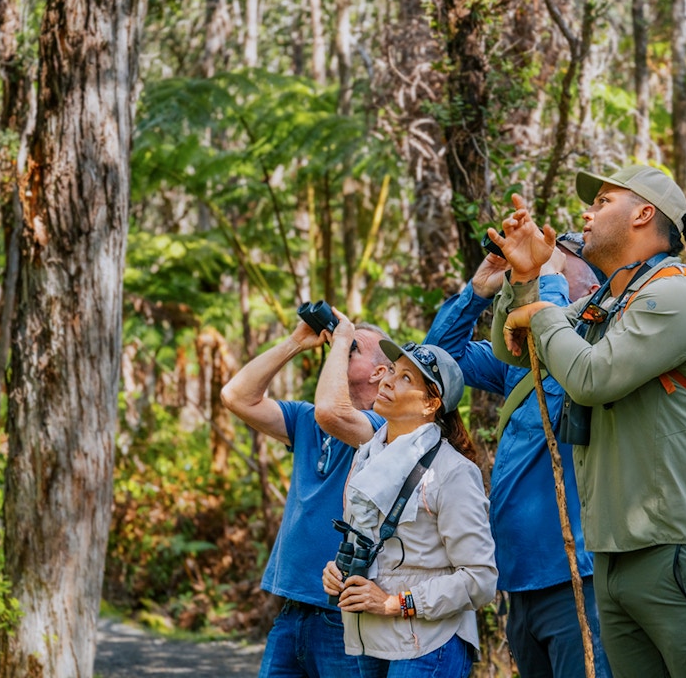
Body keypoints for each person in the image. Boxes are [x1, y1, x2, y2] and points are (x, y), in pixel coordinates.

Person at [488, 167, 686, 677]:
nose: (586, 214)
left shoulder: (677, 295)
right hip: (611, 551)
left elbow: (591, 376)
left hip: (681, 547)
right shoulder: (606, 304)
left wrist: (540, 309)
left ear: (643, 214)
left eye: (603, 201)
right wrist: (523, 281)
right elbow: (514, 351)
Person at [423, 232, 612, 678]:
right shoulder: (521, 367)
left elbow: (563, 350)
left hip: (576, 579)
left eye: (561, 268)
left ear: (589, 292)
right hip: (519, 582)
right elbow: (437, 362)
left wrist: (542, 279)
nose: (544, 270)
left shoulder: (599, 355)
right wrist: (478, 291)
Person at [317, 313, 497, 678]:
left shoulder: (453, 473)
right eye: (390, 370)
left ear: (431, 404)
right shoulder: (368, 456)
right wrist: (336, 572)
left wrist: (394, 603)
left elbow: (479, 579)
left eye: (405, 378)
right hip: (369, 640)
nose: (386, 380)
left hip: (428, 645)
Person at [220, 317, 392, 678]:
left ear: (379, 373)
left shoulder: (382, 429)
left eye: (354, 348)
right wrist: (296, 343)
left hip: (345, 615)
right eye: (343, 344)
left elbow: (334, 413)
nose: (341, 348)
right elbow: (235, 396)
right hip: (291, 611)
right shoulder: (307, 420)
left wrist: (343, 335)